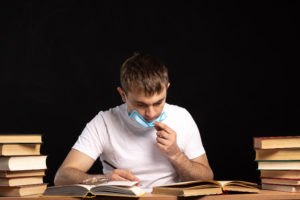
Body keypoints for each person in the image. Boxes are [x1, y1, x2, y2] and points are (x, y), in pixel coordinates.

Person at [54, 53, 213, 190]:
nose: (151, 114)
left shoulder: (182, 117)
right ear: (123, 95)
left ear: (167, 89)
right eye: (141, 105)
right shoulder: (104, 122)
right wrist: (104, 180)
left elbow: (207, 178)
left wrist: (177, 155)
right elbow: (62, 177)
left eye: (158, 103)